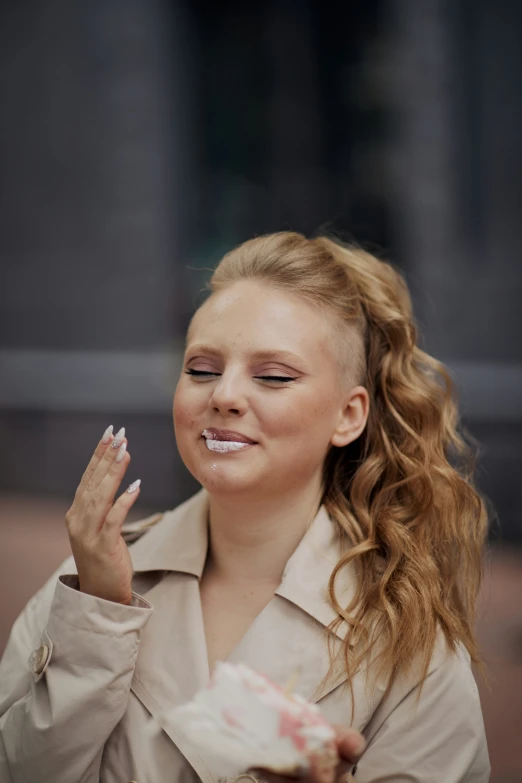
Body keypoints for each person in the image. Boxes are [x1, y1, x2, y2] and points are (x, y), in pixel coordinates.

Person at [0, 232, 490, 783]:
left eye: (274, 376)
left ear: (348, 416)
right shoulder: (84, 587)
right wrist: (98, 613)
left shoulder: (410, 640)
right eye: (202, 369)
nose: (224, 395)